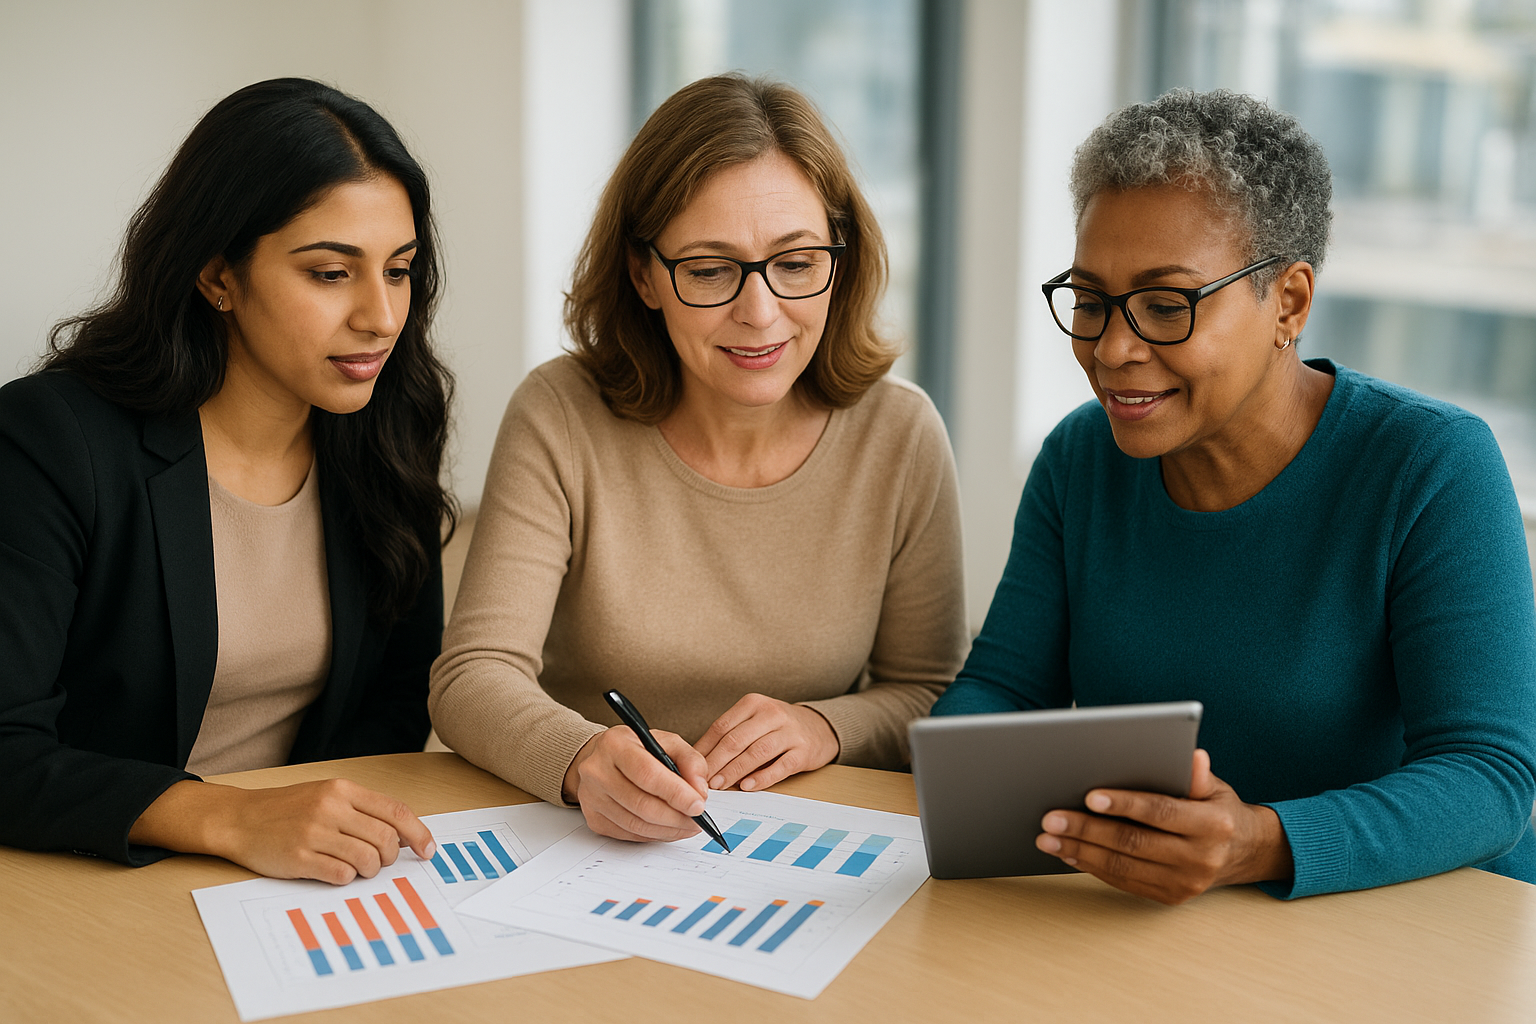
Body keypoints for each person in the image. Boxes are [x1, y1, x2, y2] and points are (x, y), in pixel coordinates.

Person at [931, 88, 1536, 903]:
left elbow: (1491, 777)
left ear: (1287, 301)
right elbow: (1003, 688)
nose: (1112, 348)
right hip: (1154, 924)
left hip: (1408, 930)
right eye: (1090, 300)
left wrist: (1262, 842)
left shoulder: (1429, 464)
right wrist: (964, 791)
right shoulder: (1081, 457)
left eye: (1166, 305)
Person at [430, 74, 967, 843]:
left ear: (838, 261)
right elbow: (470, 675)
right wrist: (582, 757)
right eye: (711, 270)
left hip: (801, 857)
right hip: (582, 846)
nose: (760, 311)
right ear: (644, 275)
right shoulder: (561, 413)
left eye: (796, 261)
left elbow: (931, 690)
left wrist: (825, 727)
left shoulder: (901, 433)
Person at [0, 79, 456, 883]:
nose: (382, 316)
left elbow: (395, 698)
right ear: (218, 275)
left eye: (400, 269)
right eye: (329, 273)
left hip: (291, 884)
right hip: (92, 872)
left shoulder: (388, 425)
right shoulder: (49, 439)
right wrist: (228, 816)